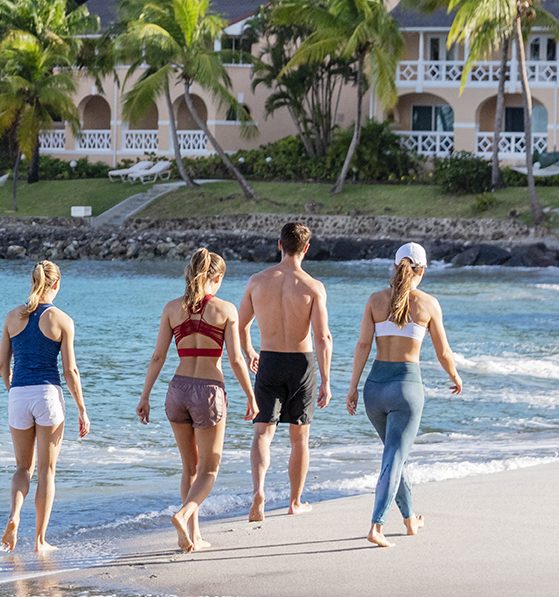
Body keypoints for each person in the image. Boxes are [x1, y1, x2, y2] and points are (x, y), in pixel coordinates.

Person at [137, 248, 255, 553]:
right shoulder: (226, 310)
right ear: (217, 278)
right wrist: (251, 396)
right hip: (209, 391)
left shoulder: (172, 308)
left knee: (189, 467)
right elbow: (236, 360)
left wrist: (145, 395)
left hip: (176, 390)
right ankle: (184, 515)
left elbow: (158, 356)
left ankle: (193, 535)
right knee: (209, 471)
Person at [347, 243, 465, 548]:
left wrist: (353, 387)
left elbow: (362, 345)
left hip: (374, 388)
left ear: (395, 265)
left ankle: (411, 519)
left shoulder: (375, 300)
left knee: (394, 456)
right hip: (406, 390)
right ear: (422, 270)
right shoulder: (428, 304)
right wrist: (455, 376)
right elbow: (444, 351)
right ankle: (376, 525)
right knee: (394, 457)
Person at [237, 221, 332, 522]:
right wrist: (326, 380)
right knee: (299, 438)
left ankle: (258, 492)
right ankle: (294, 501)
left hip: (269, 360)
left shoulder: (257, 281)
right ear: (306, 249)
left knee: (262, 432)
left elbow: (240, 325)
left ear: (279, 244)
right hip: (301, 364)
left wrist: (250, 352)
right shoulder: (313, 287)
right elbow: (322, 337)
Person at [0, 261, 91, 553]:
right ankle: (39, 540)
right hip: (47, 394)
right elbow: (70, 371)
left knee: (22, 468)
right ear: (56, 284)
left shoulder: (12, 317)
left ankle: (14, 516)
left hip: (19, 393)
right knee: (46, 471)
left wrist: (13, 390)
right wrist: (81, 408)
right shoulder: (61, 319)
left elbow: (3, 364)